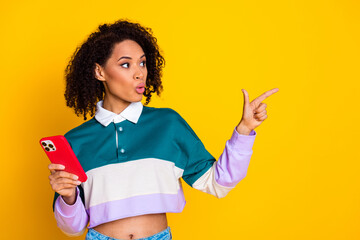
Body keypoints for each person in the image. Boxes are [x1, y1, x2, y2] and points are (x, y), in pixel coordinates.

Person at [47, 19, 279, 240]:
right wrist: (68, 198)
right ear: (100, 72)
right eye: (125, 64)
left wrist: (244, 131)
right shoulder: (75, 141)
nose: (139, 73)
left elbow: (218, 183)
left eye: (143, 62)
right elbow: (73, 229)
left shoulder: (168, 124)